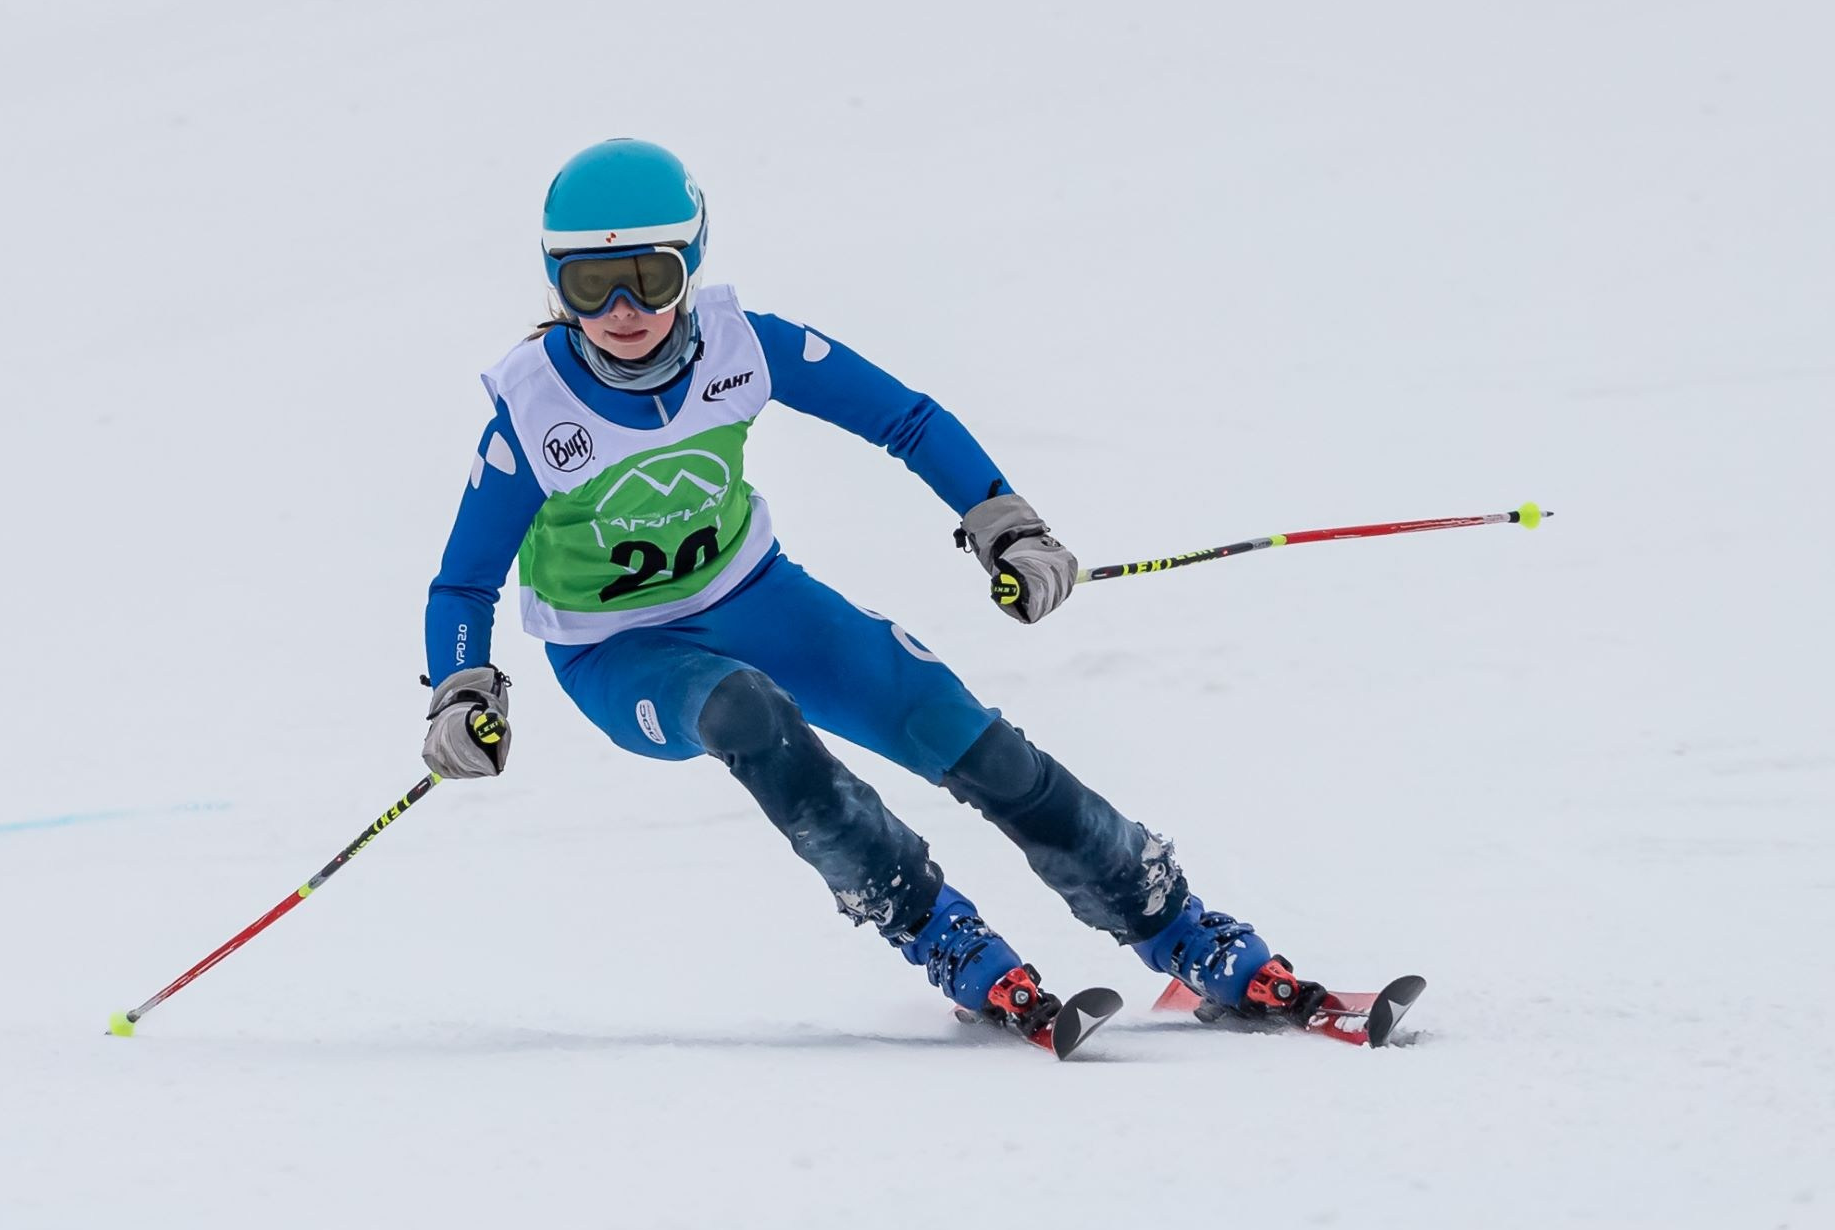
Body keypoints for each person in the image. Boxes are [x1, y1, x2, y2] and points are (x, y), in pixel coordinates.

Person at [420, 138, 1324, 1044]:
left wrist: (1003, 520)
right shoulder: (535, 409)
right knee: (745, 710)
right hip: (619, 655)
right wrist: (460, 692)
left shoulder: (745, 347)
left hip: (760, 600)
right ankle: (940, 932)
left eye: (649, 279)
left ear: (690, 262)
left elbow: (905, 416)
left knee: (954, 726)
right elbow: (463, 584)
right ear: (555, 283)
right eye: (591, 286)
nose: (623, 311)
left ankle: (1181, 927)